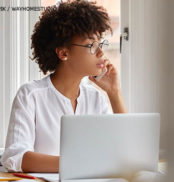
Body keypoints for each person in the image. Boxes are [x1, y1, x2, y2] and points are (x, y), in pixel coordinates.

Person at [1, 0, 127, 172]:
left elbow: (125, 153)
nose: (101, 52)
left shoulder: (96, 99)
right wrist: (78, 164)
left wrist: (114, 92)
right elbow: (14, 157)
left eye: (100, 44)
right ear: (63, 53)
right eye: (91, 45)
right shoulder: (30, 95)